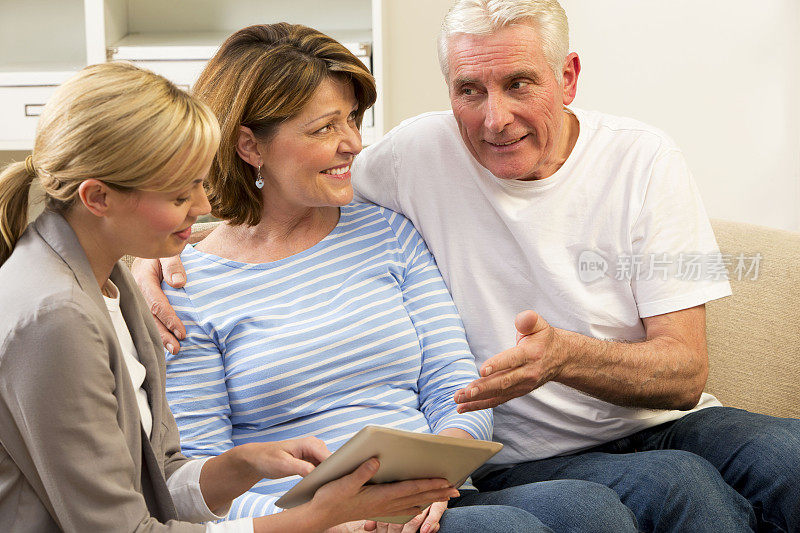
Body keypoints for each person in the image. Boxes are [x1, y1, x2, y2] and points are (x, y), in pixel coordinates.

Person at [137, 2, 800, 532]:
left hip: (641, 427)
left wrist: (555, 363)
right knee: (654, 493)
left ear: (567, 77)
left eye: (519, 83)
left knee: (786, 461)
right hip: (490, 468)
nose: (495, 117)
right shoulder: (410, 160)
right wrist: (153, 250)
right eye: (469, 89)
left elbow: (682, 372)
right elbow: (270, 195)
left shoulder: (640, 159)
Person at [0, 62, 467, 533]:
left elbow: (159, 481)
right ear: (98, 198)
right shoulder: (55, 317)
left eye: (201, 185)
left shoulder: (112, 280)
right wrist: (313, 520)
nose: (204, 209)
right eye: (182, 196)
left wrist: (245, 463)